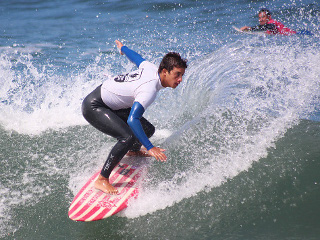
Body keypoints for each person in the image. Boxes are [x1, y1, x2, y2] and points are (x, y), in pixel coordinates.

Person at [82, 40, 187, 195]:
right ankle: (102, 179)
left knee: (148, 129)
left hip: (110, 102)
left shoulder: (151, 68)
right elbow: (132, 119)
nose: (180, 80)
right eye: (177, 75)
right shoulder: (149, 89)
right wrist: (150, 148)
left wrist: (123, 49)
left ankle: (133, 150)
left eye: (182, 75)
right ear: (165, 71)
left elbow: (136, 58)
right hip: (94, 106)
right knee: (127, 137)